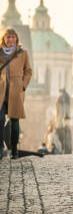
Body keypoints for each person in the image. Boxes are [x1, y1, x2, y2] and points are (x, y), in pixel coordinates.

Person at [0, 28, 33, 160]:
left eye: (13, 37)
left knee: (14, 123)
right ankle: (0, 150)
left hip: (16, 92)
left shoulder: (22, 53)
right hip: (1, 92)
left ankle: (14, 149)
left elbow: (28, 71)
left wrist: (23, 85)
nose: (11, 39)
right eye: (8, 37)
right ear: (4, 39)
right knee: (0, 120)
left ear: (16, 39)